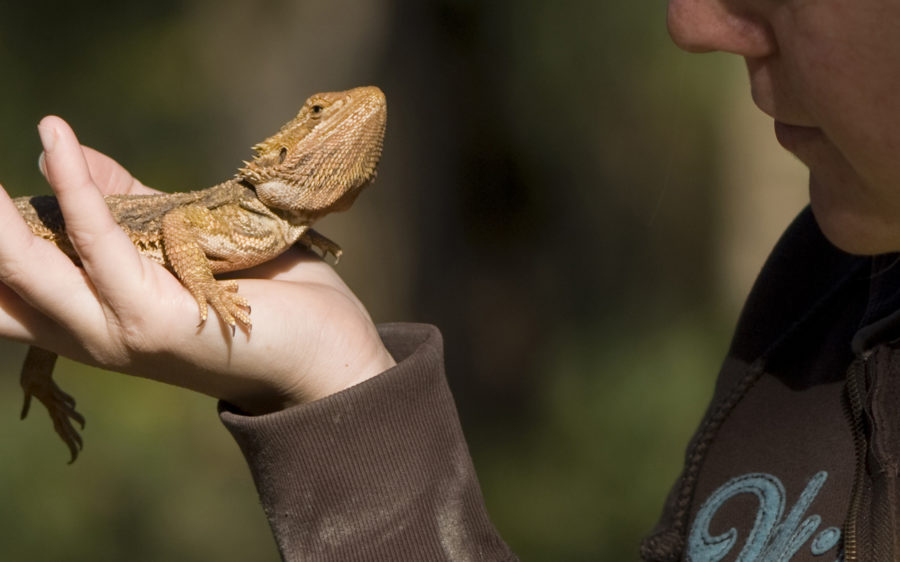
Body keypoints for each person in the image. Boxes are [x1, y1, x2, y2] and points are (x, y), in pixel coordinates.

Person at [0, 0, 897, 560]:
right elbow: (185, 234)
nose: (691, 20)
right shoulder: (808, 303)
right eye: (314, 114)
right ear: (276, 152)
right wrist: (335, 377)